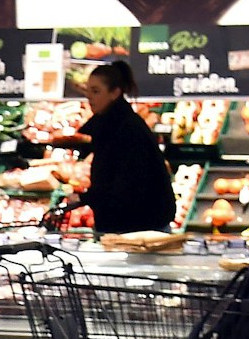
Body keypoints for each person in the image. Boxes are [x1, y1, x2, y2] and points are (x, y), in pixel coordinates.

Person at [48, 60, 173, 233]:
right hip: (129, 223)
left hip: (140, 226)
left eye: (96, 91)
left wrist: (87, 197)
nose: (89, 97)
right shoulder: (110, 125)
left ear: (115, 93)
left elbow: (126, 184)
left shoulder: (126, 130)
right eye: (88, 90)